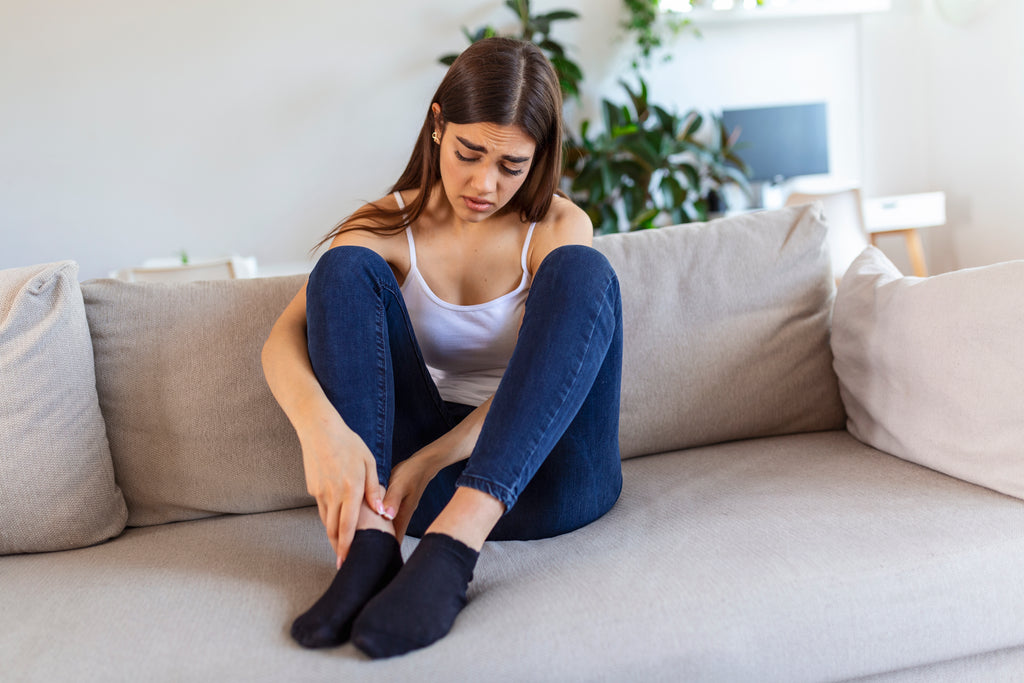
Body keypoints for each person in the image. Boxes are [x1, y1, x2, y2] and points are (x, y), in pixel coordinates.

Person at [261, 37, 623, 659]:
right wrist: (324, 435)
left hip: (552, 479)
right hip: (410, 495)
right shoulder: (386, 225)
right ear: (437, 126)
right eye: (469, 152)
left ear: (539, 158)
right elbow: (280, 341)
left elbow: (555, 376)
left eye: (512, 165)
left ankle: (454, 550)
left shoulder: (556, 227)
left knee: (584, 275)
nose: (485, 183)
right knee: (342, 269)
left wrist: (432, 459)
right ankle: (369, 549)